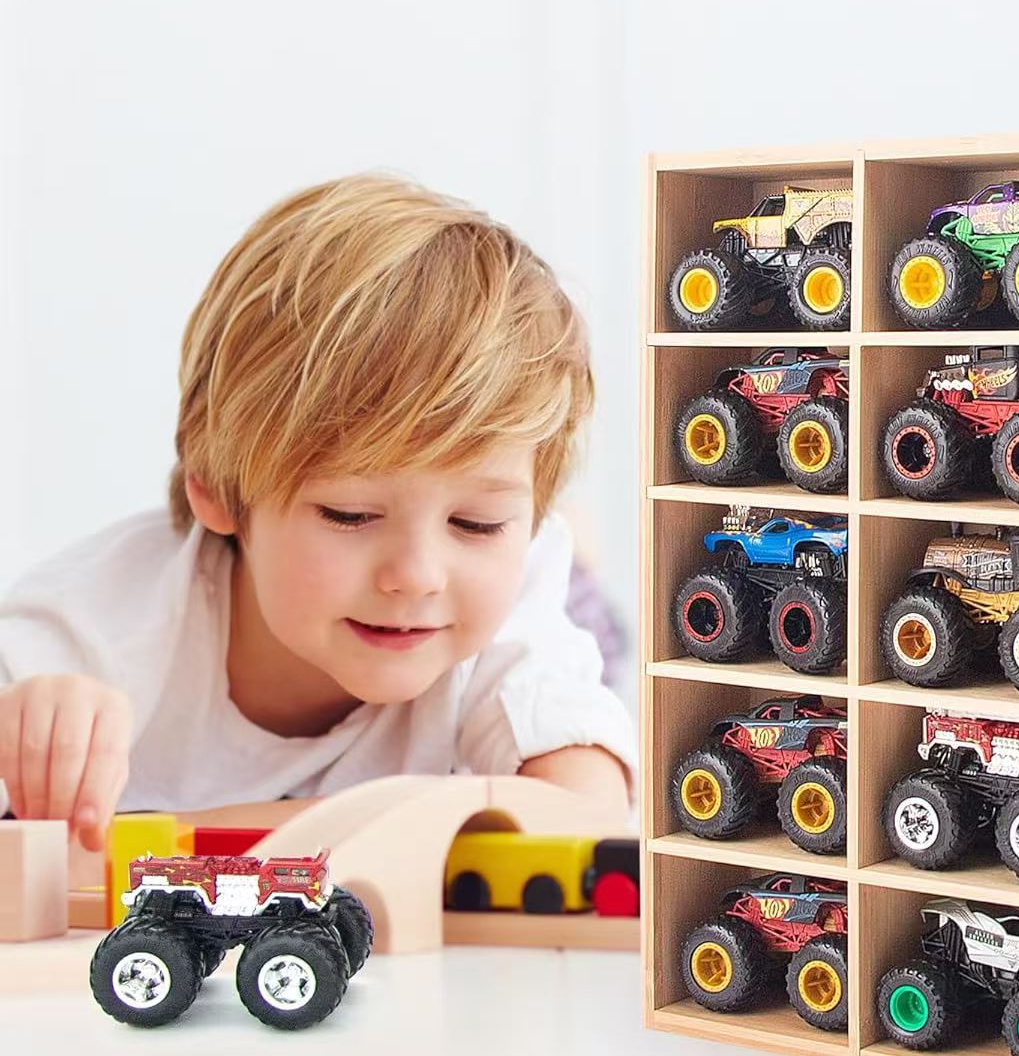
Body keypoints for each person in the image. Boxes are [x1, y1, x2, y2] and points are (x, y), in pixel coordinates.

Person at [0, 174, 633, 851]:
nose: (416, 574)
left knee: (586, 624)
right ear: (216, 485)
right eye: (350, 515)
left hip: (534, 608)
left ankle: (573, 547)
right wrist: (36, 767)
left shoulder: (514, 589)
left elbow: (587, 818)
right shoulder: (90, 634)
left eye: (474, 522)